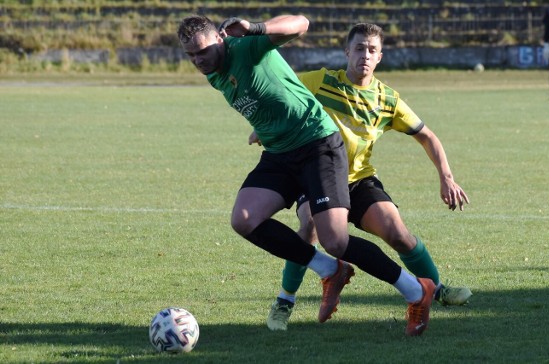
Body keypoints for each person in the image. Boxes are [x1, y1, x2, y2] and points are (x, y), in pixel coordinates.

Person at [177, 14, 436, 336]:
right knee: (244, 219)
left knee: (336, 240)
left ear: (219, 38)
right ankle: (330, 270)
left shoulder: (245, 48)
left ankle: (416, 290)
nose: (198, 60)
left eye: (203, 51)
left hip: (317, 144)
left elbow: (301, 23)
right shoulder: (213, 71)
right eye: (191, 55)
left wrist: (255, 28)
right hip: (278, 153)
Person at [249, 23, 472, 332]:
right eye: (358, 48)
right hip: (315, 176)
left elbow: (427, 136)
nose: (364, 55)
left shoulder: (387, 100)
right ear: (347, 52)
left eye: (371, 50)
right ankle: (285, 301)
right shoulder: (322, 81)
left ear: (379, 57)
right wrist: (263, 127)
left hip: (357, 181)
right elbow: (283, 97)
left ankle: (435, 287)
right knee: (309, 226)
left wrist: (446, 178)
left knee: (397, 232)